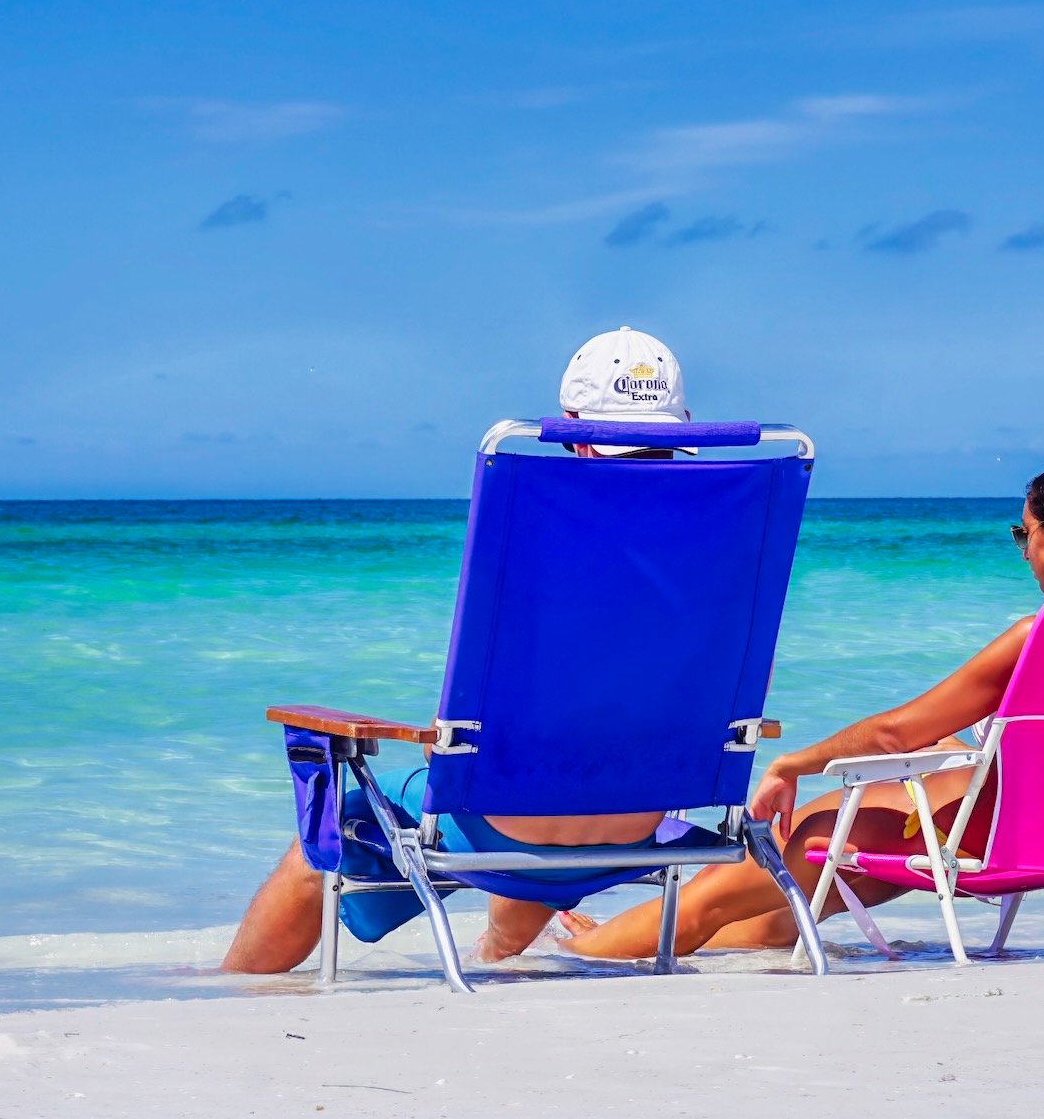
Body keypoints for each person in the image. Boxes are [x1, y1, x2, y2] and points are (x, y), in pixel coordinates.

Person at [556, 455, 1044, 960]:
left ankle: (579, 955)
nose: (1026, 551)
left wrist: (792, 764)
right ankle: (645, 939)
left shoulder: (1043, 632)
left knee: (737, 878)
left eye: (1024, 533)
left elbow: (893, 734)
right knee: (781, 913)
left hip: (982, 833)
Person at [220, 326, 694, 973]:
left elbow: (505, 716)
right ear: (683, 427)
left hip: (509, 824)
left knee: (316, 852)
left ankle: (237, 989)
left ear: (574, 431)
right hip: (636, 829)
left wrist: (435, 740)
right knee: (579, 763)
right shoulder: (726, 556)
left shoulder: (538, 542)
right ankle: (496, 954)